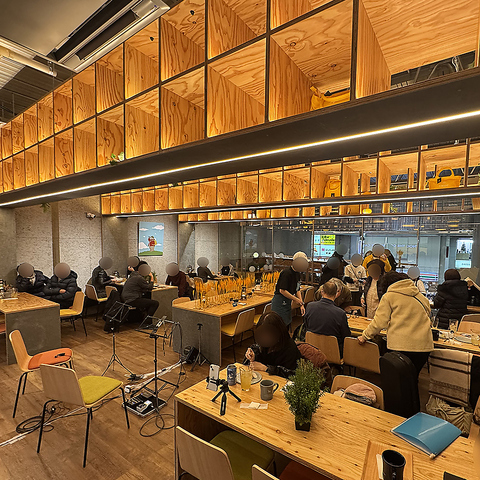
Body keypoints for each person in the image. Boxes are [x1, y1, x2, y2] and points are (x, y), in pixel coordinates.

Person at [358, 271, 434, 377]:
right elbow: (427, 315)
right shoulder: (421, 297)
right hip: (424, 346)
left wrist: (365, 336)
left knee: (398, 380)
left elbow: (379, 322)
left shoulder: (389, 296)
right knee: (413, 378)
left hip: (401, 346)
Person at [245, 311, 301, 378]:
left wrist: (266, 369)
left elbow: (292, 374)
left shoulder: (289, 348)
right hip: (264, 378)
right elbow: (260, 355)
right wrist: (254, 356)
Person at [304, 280, 351, 356]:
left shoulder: (309, 306)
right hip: (333, 352)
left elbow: (306, 326)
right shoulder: (340, 313)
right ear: (336, 294)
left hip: (312, 349)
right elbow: (346, 336)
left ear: (322, 292)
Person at [271, 251, 309, 326]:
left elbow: (297, 289)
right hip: (280, 302)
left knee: (287, 323)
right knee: (279, 325)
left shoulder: (297, 273)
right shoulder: (286, 273)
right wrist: (296, 299)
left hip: (288, 301)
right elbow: (282, 290)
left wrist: (301, 303)